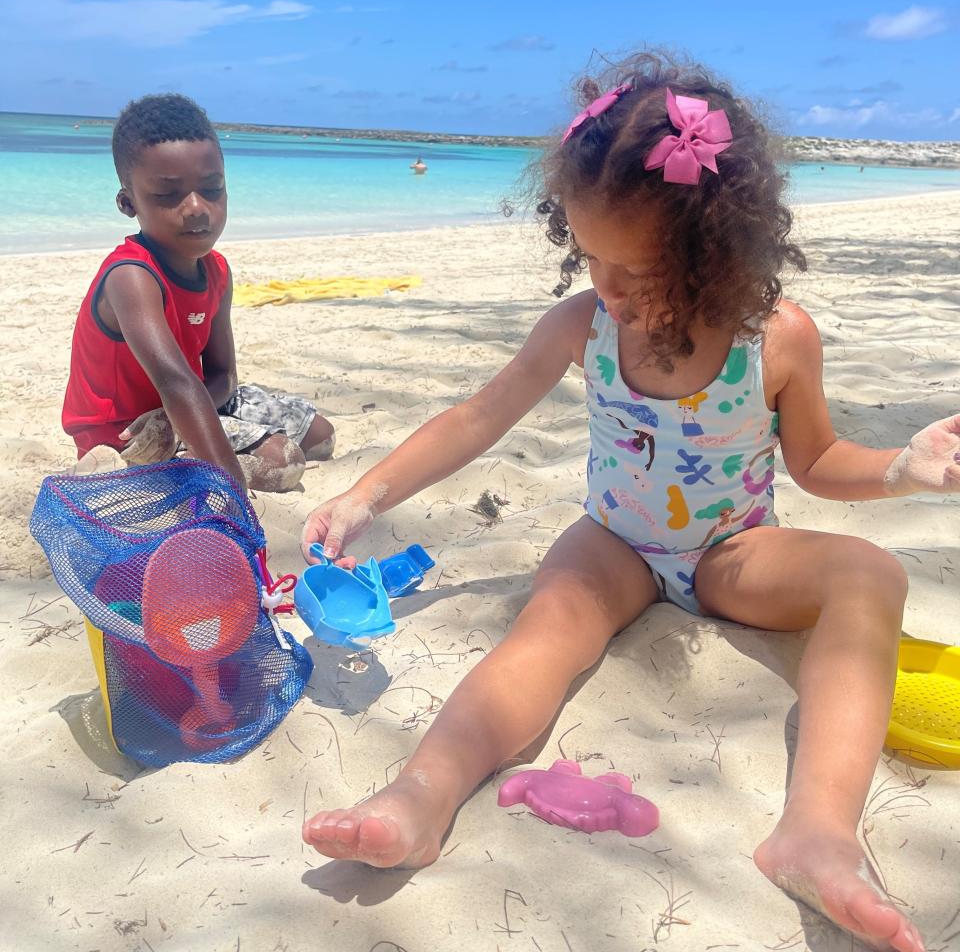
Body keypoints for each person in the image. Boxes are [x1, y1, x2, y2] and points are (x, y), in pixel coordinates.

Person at [299, 51, 958, 952]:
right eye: (590, 257)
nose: (605, 289)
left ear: (714, 253)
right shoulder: (585, 326)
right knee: (543, 637)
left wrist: (898, 472)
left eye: (635, 272)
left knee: (871, 573)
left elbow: (818, 460)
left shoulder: (777, 340)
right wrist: (365, 492)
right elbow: (479, 417)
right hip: (611, 542)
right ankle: (423, 794)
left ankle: (819, 832)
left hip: (733, 551)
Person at [62, 93, 335, 491]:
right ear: (128, 203)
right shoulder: (132, 276)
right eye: (168, 194)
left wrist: (190, 414)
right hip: (127, 429)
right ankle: (132, 471)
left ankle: (195, 458)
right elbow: (174, 381)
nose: (195, 207)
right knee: (285, 463)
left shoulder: (217, 270)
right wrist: (232, 491)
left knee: (320, 437)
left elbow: (223, 374)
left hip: (187, 403)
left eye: (211, 188)